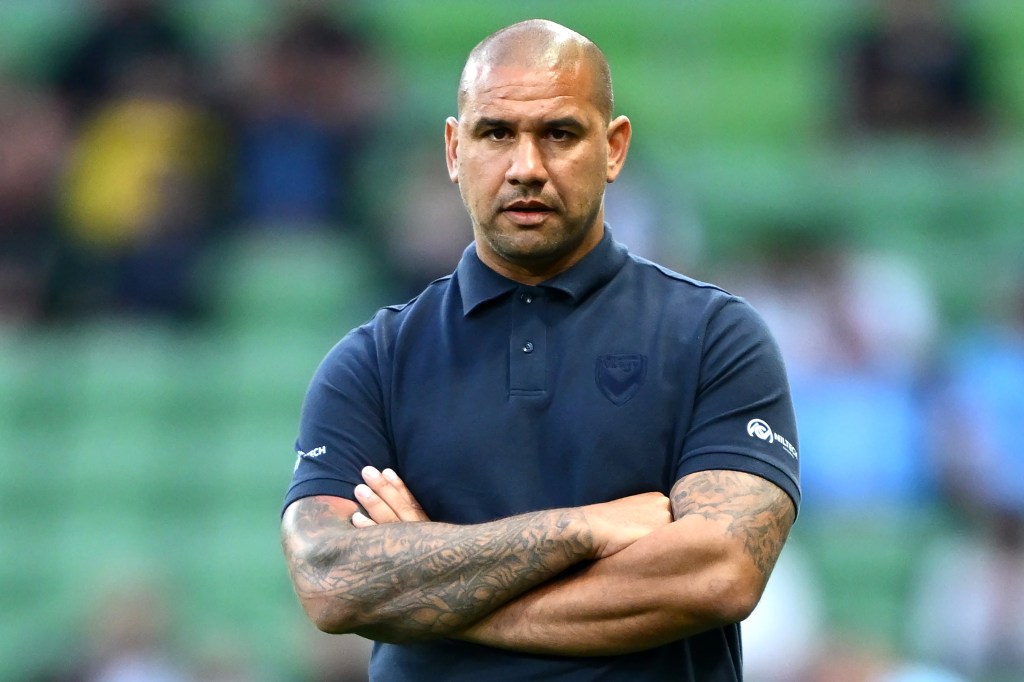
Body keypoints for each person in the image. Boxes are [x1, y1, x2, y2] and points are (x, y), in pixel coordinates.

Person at [280, 19, 800, 681]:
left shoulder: (715, 338)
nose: (526, 167)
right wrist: (583, 529)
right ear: (454, 150)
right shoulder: (372, 363)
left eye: (559, 133)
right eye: (496, 133)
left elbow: (718, 574)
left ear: (613, 148)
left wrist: (433, 592)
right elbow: (330, 580)